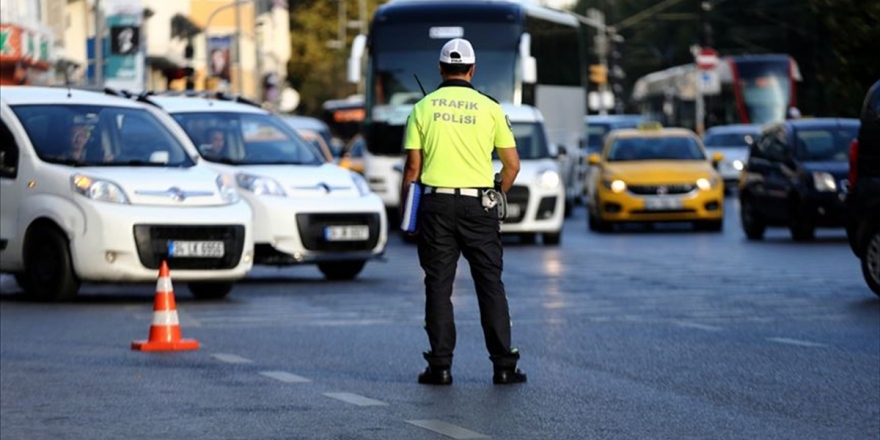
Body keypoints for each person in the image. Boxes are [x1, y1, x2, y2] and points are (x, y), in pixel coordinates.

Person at [400, 38, 525, 385]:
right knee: (489, 283)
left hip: (436, 206)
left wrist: (408, 213)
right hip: (479, 205)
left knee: (438, 285)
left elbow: (412, 169)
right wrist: (495, 193)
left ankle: (440, 367)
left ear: (441, 69)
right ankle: (504, 365)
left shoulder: (422, 108)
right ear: (472, 69)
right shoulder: (490, 108)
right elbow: (512, 165)